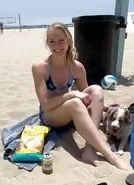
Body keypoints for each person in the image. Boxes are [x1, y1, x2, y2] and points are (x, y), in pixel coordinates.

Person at [31, 22, 128, 170]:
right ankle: (110, 156)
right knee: (75, 102)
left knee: (96, 90)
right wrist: (72, 94)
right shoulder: (40, 68)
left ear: (69, 40)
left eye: (61, 40)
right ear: (47, 44)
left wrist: (105, 107)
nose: (57, 45)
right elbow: (45, 103)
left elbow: (88, 97)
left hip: (71, 112)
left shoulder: (76, 67)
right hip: (50, 115)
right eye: (52, 41)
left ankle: (89, 149)